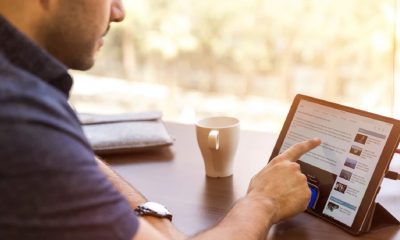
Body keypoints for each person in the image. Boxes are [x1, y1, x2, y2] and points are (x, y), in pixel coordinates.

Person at [0, 0, 321, 239]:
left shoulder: (25, 99)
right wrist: (264, 201)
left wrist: (152, 220)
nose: (118, 11)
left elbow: (62, 154)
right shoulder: (18, 115)